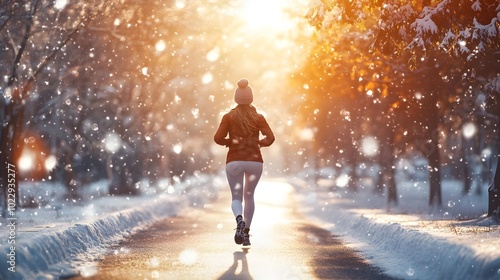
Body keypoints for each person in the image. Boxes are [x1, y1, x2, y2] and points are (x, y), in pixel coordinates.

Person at [214, 78, 275, 246]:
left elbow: (217, 138)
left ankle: (238, 219)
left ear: (236, 98)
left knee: (236, 197)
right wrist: (258, 143)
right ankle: (246, 234)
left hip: (234, 161)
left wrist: (230, 142)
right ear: (251, 98)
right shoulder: (258, 117)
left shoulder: (228, 117)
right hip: (255, 161)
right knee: (249, 196)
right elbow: (270, 138)